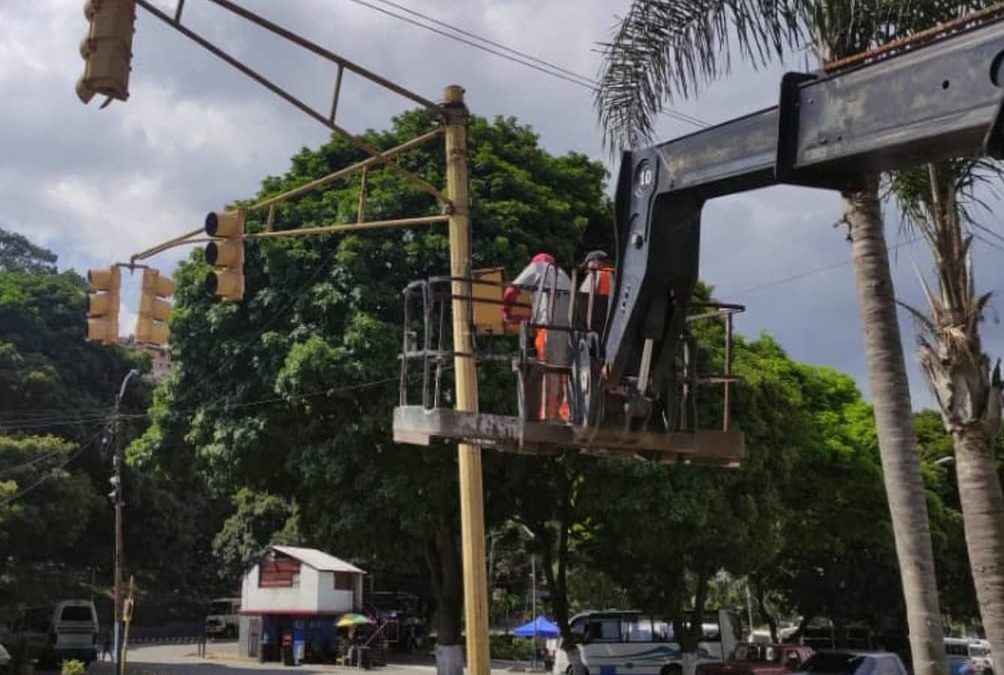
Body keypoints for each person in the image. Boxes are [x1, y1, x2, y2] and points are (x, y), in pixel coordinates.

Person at [502, 252, 571, 422]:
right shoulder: (564, 276)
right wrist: (525, 319)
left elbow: (511, 291)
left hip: (548, 328)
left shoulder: (539, 267)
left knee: (546, 369)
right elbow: (546, 308)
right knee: (562, 372)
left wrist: (505, 312)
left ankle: (547, 417)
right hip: (568, 330)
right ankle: (563, 415)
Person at [577, 250, 615, 334]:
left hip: (595, 323)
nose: (587, 266)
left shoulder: (603, 275)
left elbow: (602, 300)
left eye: (588, 262)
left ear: (596, 261)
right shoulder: (609, 274)